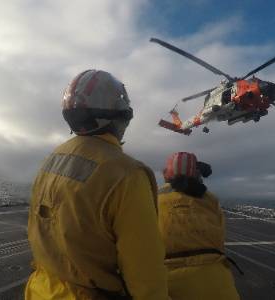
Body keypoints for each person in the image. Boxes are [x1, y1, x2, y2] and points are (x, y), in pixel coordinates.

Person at [25, 70, 168, 300]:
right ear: (120, 116)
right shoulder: (127, 174)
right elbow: (145, 269)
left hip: (41, 289)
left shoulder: (52, 158)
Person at [158, 152, 240, 300]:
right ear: (196, 175)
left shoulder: (152, 198)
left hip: (165, 282)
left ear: (166, 174)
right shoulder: (211, 200)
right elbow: (220, 239)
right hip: (219, 284)